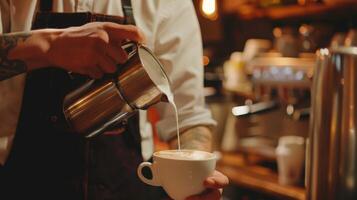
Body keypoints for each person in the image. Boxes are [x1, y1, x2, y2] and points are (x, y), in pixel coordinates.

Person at [0, 0, 228, 200]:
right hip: (23, 184)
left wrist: (193, 180)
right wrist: (49, 46)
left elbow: (189, 116)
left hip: (128, 186)